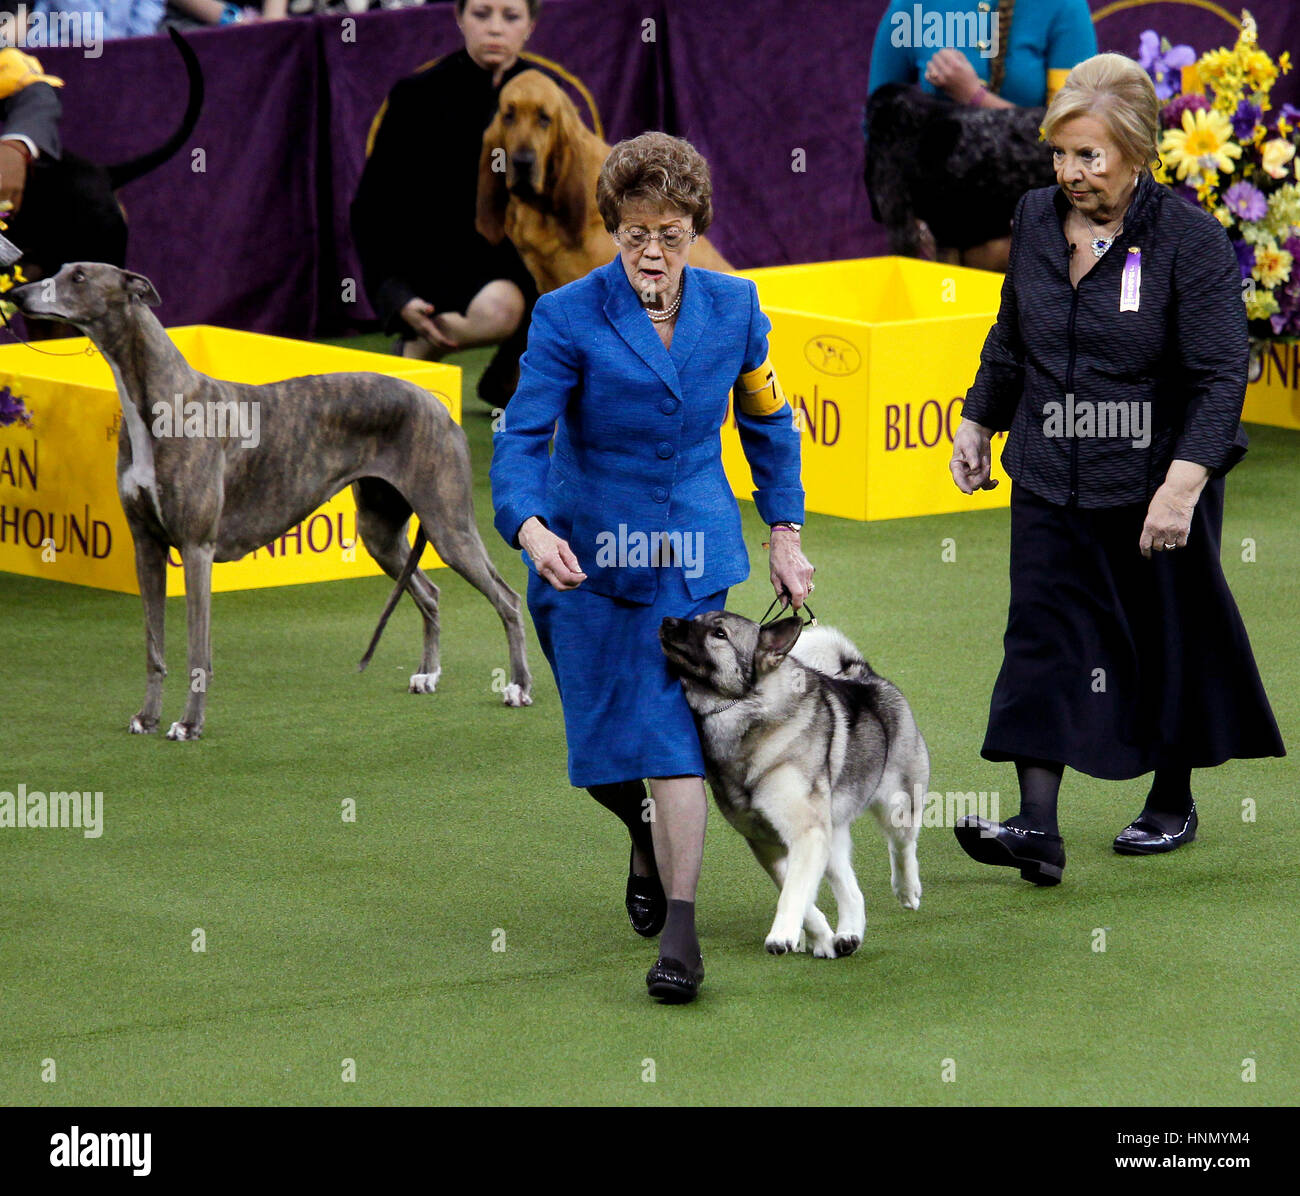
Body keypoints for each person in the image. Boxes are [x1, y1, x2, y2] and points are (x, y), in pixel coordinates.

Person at [490, 132, 813, 1004]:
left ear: (694, 229)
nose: (654, 253)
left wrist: (785, 530)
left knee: (672, 739)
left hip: (689, 562)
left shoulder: (738, 310)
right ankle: (640, 830)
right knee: (603, 756)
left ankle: (681, 932)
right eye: (635, 234)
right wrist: (526, 527)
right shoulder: (564, 317)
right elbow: (522, 436)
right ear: (613, 231)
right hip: (583, 562)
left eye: (671, 233)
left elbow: (769, 426)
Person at [949, 53, 1284, 885]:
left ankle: (1172, 799)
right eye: (1060, 155)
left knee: (1166, 640)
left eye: (1089, 157)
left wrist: (1183, 484)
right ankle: (1037, 829)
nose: (1070, 174)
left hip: (1152, 486)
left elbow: (1217, 374)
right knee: (1042, 636)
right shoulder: (1033, 218)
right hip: (1048, 474)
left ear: (1138, 152)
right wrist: (978, 417)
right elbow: (1010, 335)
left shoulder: (1192, 242)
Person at [351, 0, 544, 405]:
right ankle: (419, 348)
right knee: (501, 306)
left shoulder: (546, 96)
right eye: (481, 14)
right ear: (458, 18)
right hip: (439, 263)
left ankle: (512, 374)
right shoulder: (417, 95)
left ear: (530, 25)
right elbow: (371, 209)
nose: (495, 29)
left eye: (510, 17)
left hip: (524, 258)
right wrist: (395, 294)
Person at [866, 0, 1096, 269]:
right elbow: (880, 125)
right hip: (946, 247)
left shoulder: (1064, 7)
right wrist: (910, 222)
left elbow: (1078, 136)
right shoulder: (911, 7)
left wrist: (974, 96)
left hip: (1040, 241)